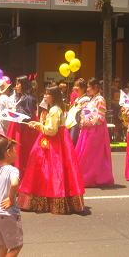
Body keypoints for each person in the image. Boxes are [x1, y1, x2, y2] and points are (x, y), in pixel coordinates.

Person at [18, 86, 85, 214]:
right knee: (56, 171)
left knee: (51, 170)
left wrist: (38, 125)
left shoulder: (54, 109)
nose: (45, 96)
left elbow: (51, 130)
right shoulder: (56, 108)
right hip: (57, 142)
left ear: (53, 96)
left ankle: (48, 198)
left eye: (47, 94)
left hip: (53, 143)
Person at [75, 78, 114, 187]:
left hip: (96, 130)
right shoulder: (92, 99)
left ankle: (93, 177)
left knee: (94, 155)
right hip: (88, 130)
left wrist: (89, 122)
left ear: (96, 87)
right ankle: (88, 176)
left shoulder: (100, 99)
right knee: (87, 153)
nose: (87, 89)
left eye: (89, 87)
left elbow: (101, 117)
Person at [6, 75, 38, 177]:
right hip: (17, 127)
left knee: (22, 152)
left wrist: (16, 112)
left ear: (23, 84)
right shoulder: (21, 97)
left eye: (18, 83)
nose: (16, 86)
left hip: (23, 129)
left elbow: (28, 115)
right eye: (16, 84)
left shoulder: (28, 98)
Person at [67, 78, 89, 146]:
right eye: (74, 86)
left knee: (73, 143)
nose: (74, 88)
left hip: (77, 124)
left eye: (77, 86)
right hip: (72, 123)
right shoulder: (77, 99)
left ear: (83, 88)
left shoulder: (86, 99)